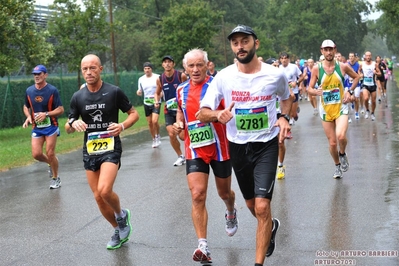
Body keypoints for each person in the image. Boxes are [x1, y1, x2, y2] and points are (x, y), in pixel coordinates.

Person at [197, 24, 292, 266]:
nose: (240, 46)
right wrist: (217, 115)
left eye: (245, 41)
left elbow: (286, 98)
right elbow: (202, 112)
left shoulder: (275, 74)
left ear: (255, 44)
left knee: (262, 206)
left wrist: (284, 117)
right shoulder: (224, 77)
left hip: (266, 145)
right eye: (235, 42)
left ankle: (258, 262)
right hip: (238, 147)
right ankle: (270, 226)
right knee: (251, 204)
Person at [65, 54, 139, 250]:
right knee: (98, 196)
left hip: (110, 146)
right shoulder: (77, 96)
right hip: (90, 149)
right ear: (81, 72)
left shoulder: (114, 92)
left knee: (105, 190)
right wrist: (74, 122)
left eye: (92, 68)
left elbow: (134, 114)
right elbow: (68, 125)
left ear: (100, 69)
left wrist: (122, 126)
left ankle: (121, 214)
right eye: (85, 69)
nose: (89, 72)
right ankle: (117, 227)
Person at [173, 48, 238, 264]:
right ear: (185, 68)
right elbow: (181, 110)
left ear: (207, 65)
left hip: (220, 148)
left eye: (199, 64)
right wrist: (179, 123)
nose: (195, 69)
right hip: (194, 149)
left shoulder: (217, 86)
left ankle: (230, 210)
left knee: (224, 193)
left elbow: (229, 112)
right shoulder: (180, 90)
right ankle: (203, 245)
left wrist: (220, 116)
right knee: (198, 194)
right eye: (190, 65)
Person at [307, 40, 360, 179]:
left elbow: (357, 77)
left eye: (331, 49)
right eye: (326, 50)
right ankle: (337, 166)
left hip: (341, 107)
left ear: (335, 50)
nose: (329, 52)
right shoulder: (316, 69)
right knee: (332, 142)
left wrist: (350, 91)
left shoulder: (342, 66)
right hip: (325, 110)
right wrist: (315, 92)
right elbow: (309, 88)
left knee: (341, 135)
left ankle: (342, 153)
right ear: (322, 51)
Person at [22, 64, 64, 189]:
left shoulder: (52, 90)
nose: (36, 76)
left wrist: (46, 114)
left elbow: (61, 109)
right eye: (35, 74)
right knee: (36, 154)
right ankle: (51, 163)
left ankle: (56, 178)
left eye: (39, 74)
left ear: (45, 75)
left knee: (50, 153)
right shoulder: (29, 91)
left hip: (51, 126)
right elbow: (26, 106)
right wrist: (28, 117)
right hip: (37, 128)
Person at [154, 55, 188, 166]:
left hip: (181, 110)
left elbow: (189, 88)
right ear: (162, 65)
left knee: (182, 136)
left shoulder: (181, 76)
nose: (167, 64)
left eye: (169, 62)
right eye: (165, 62)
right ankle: (180, 156)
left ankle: (190, 152)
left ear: (173, 64)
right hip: (169, 110)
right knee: (171, 134)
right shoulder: (160, 79)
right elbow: (157, 92)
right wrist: (156, 101)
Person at [137, 62, 161, 148]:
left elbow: (161, 90)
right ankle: (154, 138)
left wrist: (158, 97)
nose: (147, 70)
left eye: (148, 68)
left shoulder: (157, 77)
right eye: (145, 69)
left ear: (151, 69)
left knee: (155, 121)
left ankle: (158, 135)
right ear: (143, 70)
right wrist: (138, 92)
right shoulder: (141, 79)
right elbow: (139, 90)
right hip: (146, 102)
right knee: (150, 123)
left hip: (156, 101)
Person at [279, 52, 304, 125]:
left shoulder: (294, 67)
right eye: (282, 58)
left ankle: (294, 113)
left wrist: (296, 82)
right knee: (285, 110)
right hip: (283, 92)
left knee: (293, 113)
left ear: (288, 59)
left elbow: (302, 77)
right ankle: (289, 121)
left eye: (285, 58)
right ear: (280, 60)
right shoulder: (278, 68)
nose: (284, 60)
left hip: (294, 91)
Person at [361, 51, 381, 121]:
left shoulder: (374, 64)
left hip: (372, 85)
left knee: (373, 101)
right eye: (367, 56)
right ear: (365, 56)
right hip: (365, 84)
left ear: (371, 56)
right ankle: (367, 110)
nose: (368, 57)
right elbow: (358, 71)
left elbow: (380, 73)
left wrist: (376, 73)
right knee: (366, 98)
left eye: (369, 56)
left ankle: (372, 113)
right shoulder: (362, 64)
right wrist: (360, 75)